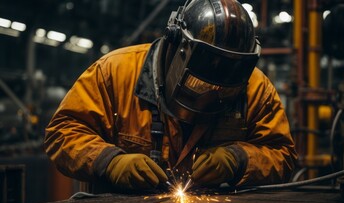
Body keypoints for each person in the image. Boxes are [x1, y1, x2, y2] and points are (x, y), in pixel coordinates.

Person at [44, 0, 297, 192]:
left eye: (224, 91)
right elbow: (63, 133)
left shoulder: (255, 88)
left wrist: (239, 159)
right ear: (177, 46)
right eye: (199, 83)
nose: (209, 96)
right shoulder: (115, 72)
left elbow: (282, 155)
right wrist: (109, 162)